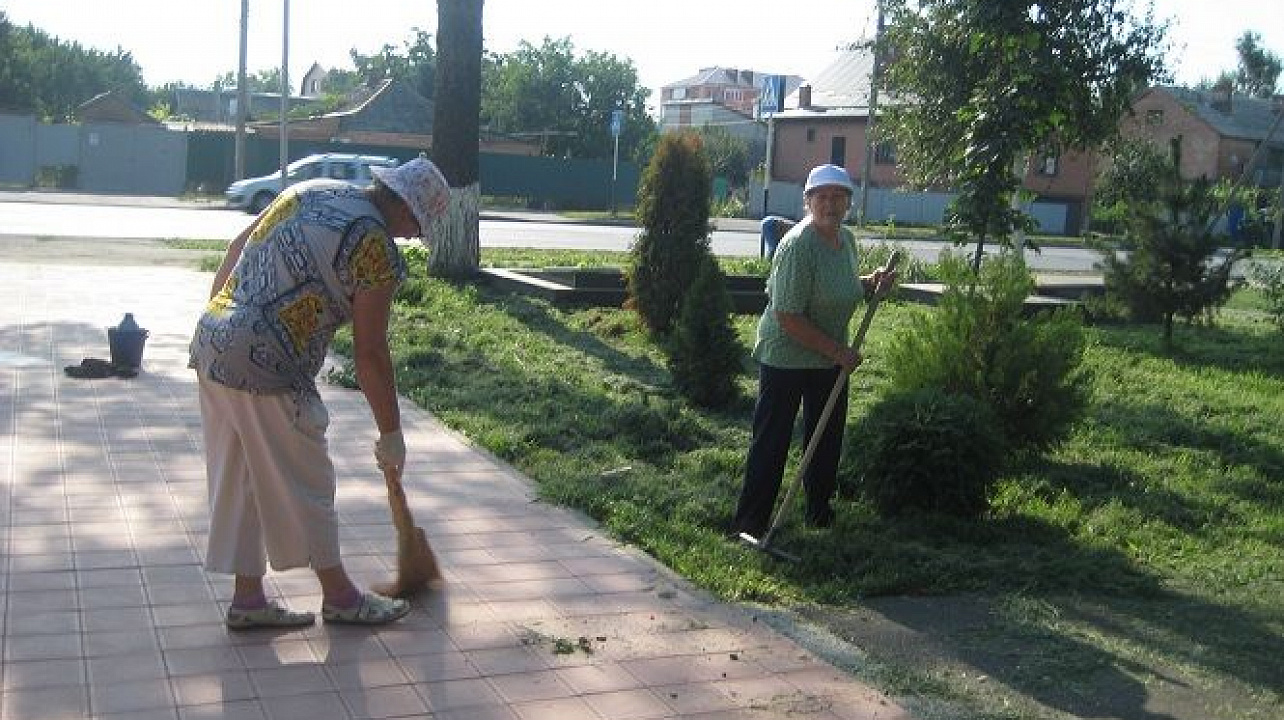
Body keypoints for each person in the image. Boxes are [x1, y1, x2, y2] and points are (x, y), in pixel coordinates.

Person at [189, 154, 450, 629]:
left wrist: (227, 329)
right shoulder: (375, 248)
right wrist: (391, 433)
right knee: (309, 481)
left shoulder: (312, 191)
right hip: (270, 365)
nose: (413, 237)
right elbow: (369, 352)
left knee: (242, 480)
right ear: (407, 209)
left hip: (213, 343)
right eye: (419, 226)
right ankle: (341, 597)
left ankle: (247, 600)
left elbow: (235, 248)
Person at [732, 164, 895, 537]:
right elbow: (788, 315)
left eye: (839, 197)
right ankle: (751, 522)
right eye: (822, 197)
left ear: (849, 203)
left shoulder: (846, 240)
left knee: (825, 438)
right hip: (786, 356)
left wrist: (870, 285)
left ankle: (818, 511)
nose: (830, 204)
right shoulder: (797, 246)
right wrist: (838, 352)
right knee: (772, 441)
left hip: (829, 358)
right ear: (807, 202)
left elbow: (840, 286)